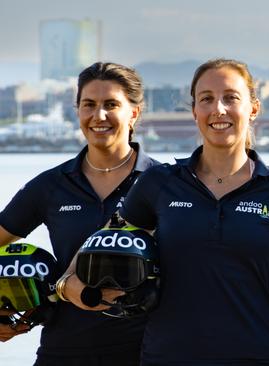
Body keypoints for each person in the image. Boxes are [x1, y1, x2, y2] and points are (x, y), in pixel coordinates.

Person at [118, 58, 269, 366]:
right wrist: (66, 284)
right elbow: (106, 245)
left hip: (257, 356)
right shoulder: (160, 183)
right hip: (168, 358)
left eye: (231, 98)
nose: (218, 109)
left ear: (253, 108)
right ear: (194, 111)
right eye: (206, 99)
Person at [0, 62, 158, 365]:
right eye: (89, 105)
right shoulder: (50, 185)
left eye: (111, 104)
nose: (99, 116)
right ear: (77, 111)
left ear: (134, 113)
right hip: (64, 350)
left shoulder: (165, 184)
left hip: (146, 353)